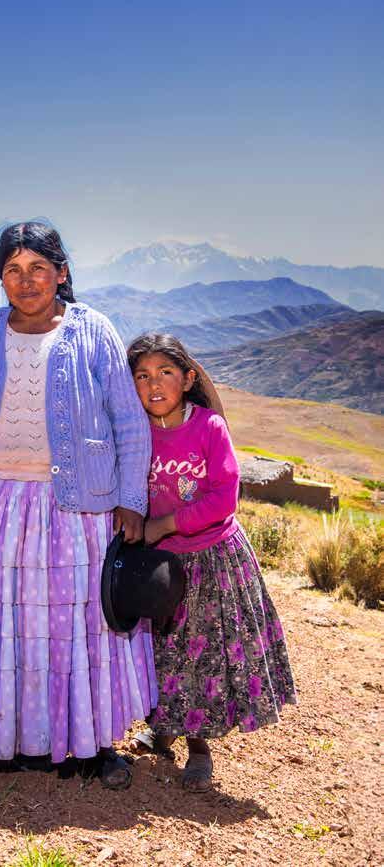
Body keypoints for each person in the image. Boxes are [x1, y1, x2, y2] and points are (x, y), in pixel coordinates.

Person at [0, 221, 156, 788]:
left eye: (38, 269)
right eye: (13, 270)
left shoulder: (93, 330)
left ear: (61, 273)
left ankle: (91, 743)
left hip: (76, 511)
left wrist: (131, 499)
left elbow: (129, 421)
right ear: (0, 278)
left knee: (78, 627)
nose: (25, 281)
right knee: (6, 625)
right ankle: (9, 738)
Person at [126, 332, 296, 790]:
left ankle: (199, 749)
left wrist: (165, 524)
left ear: (187, 379)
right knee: (162, 650)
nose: (154, 384)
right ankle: (162, 728)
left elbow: (224, 498)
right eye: (142, 375)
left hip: (212, 561)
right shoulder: (135, 434)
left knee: (203, 656)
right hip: (159, 565)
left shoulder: (209, 428)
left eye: (165, 372)